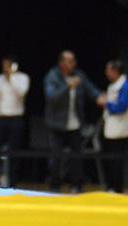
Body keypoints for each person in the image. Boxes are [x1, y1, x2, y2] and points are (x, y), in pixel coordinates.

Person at [43, 50, 101, 192]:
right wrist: (67, 87)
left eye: (74, 61)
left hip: (75, 123)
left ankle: (77, 184)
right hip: (57, 124)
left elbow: (91, 90)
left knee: (77, 156)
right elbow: (51, 97)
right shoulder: (53, 76)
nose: (72, 64)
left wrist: (100, 97)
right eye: (69, 61)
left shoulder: (79, 76)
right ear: (61, 63)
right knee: (56, 157)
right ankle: (55, 185)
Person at [0, 55, 30, 187]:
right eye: (3, 65)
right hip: (1, 118)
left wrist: (11, 77)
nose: (5, 68)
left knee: (13, 152)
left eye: (8, 65)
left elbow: (21, 92)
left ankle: (12, 183)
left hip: (15, 119)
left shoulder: (22, 78)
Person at [96, 59, 128, 192]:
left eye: (108, 70)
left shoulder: (125, 86)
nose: (106, 72)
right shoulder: (113, 85)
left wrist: (105, 103)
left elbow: (122, 106)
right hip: (111, 129)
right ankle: (110, 186)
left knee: (117, 163)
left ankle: (117, 189)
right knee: (109, 162)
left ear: (115, 71)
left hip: (120, 131)